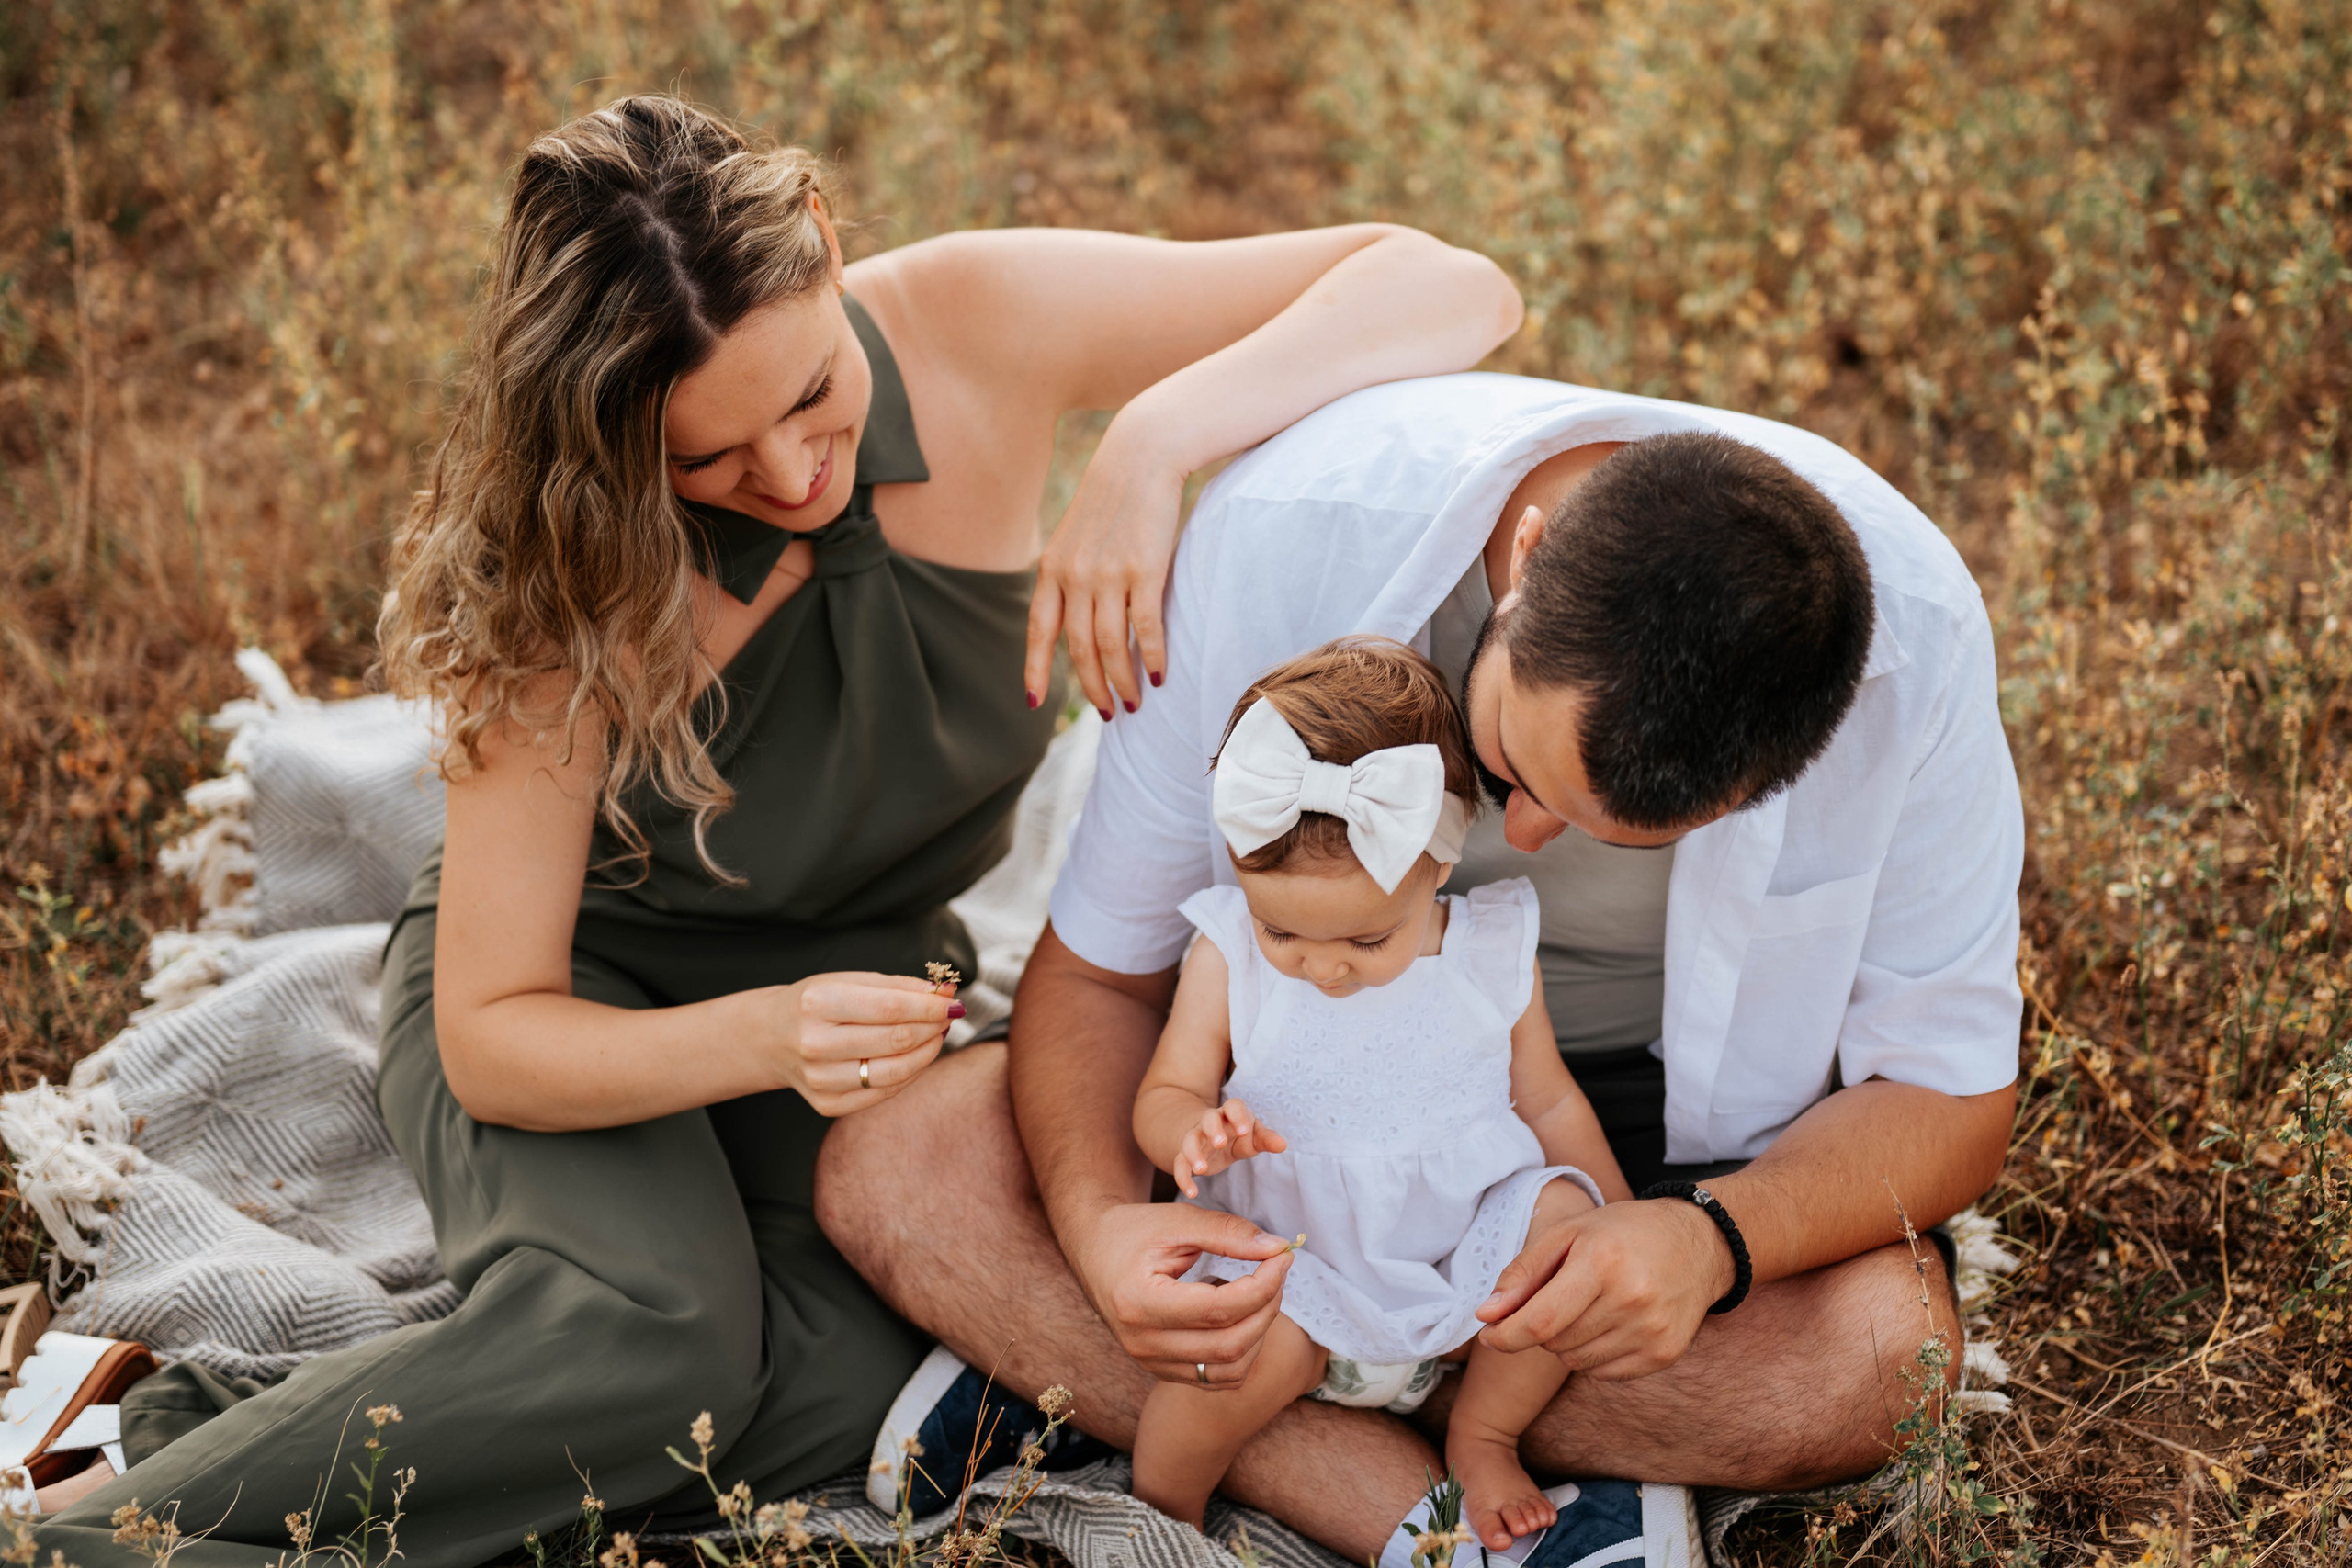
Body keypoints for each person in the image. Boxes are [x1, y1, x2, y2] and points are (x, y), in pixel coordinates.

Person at [34, 95, 1524, 1564]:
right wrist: (766, 1035)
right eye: (713, 459)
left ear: (821, 239)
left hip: (867, 1007)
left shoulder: (969, 320)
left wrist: (1151, 442)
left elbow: (1452, 283)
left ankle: (233, 1435)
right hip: (593, 1013)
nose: (797, 476)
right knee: (661, 1344)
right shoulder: (570, 560)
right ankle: (85, 1542)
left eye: (814, 398)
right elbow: (496, 1026)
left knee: (931, 1351)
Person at [823, 389, 2023, 1565]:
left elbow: (1946, 1096)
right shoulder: (1286, 535)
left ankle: (1113, 1385)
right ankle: (1462, 1519)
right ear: (1529, 555)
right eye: (1514, 766)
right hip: (1272, 1144)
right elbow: (1102, 977)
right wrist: (1099, 1238)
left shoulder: (1912, 656)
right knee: (900, 1166)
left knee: (1883, 1352)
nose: (1535, 843)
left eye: (1623, 834)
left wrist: (1706, 1240)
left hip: (1602, 1145)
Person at [1126, 638, 1623, 1546]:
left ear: (1437, 866)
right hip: (1293, 1268)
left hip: (1461, 1258)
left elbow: (1547, 1103)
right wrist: (1190, 1134)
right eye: (1284, 931)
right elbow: (1166, 1091)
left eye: (1365, 942)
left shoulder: (1489, 948)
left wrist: (1613, 1217)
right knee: (1214, 1373)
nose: (1322, 968)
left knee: (1559, 1235)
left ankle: (1481, 1433)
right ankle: (1163, 1514)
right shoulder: (1227, 949)